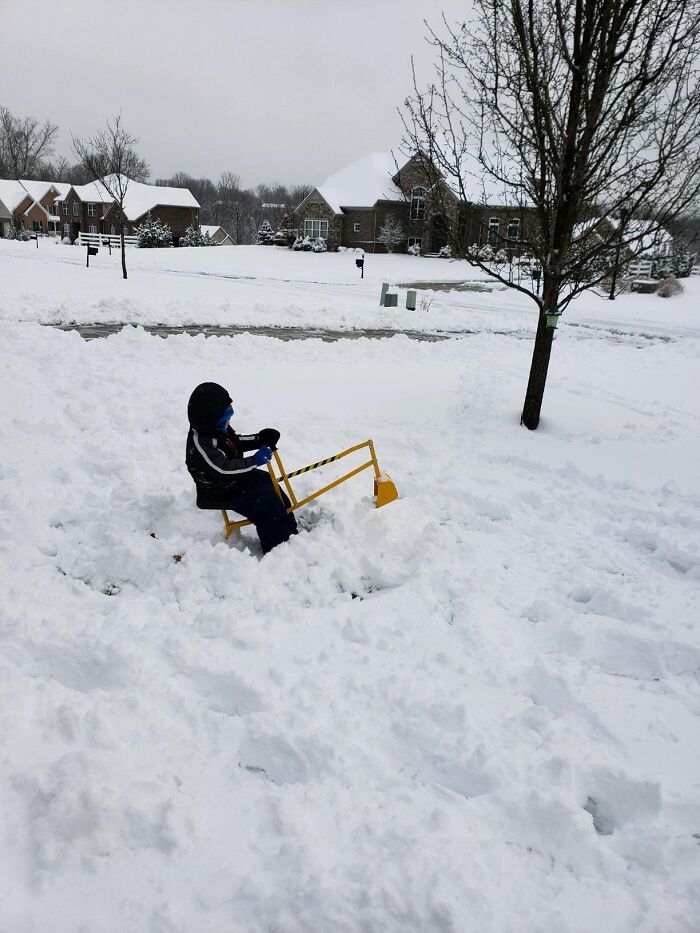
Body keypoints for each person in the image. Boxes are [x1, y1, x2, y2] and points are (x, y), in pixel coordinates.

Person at [185, 382, 298, 554]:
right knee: (266, 504)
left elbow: (234, 444)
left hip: (234, 480)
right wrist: (253, 461)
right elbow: (222, 469)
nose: (228, 422)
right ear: (209, 420)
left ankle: (289, 529)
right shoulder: (202, 443)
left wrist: (259, 439)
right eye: (225, 418)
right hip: (221, 490)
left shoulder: (216, 428)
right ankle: (279, 549)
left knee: (269, 483)